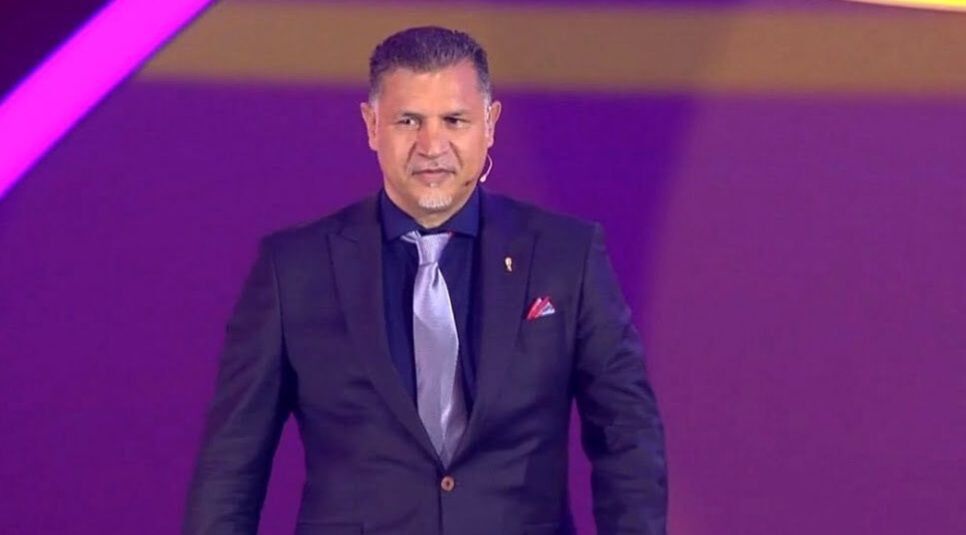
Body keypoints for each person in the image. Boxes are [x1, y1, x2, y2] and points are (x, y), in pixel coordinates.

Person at [183, 26, 667, 535]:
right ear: (372, 125)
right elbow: (232, 463)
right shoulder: (294, 269)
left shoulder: (566, 255)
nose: (431, 146)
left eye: (454, 120)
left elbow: (627, 433)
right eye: (408, 120)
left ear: (489, 124)